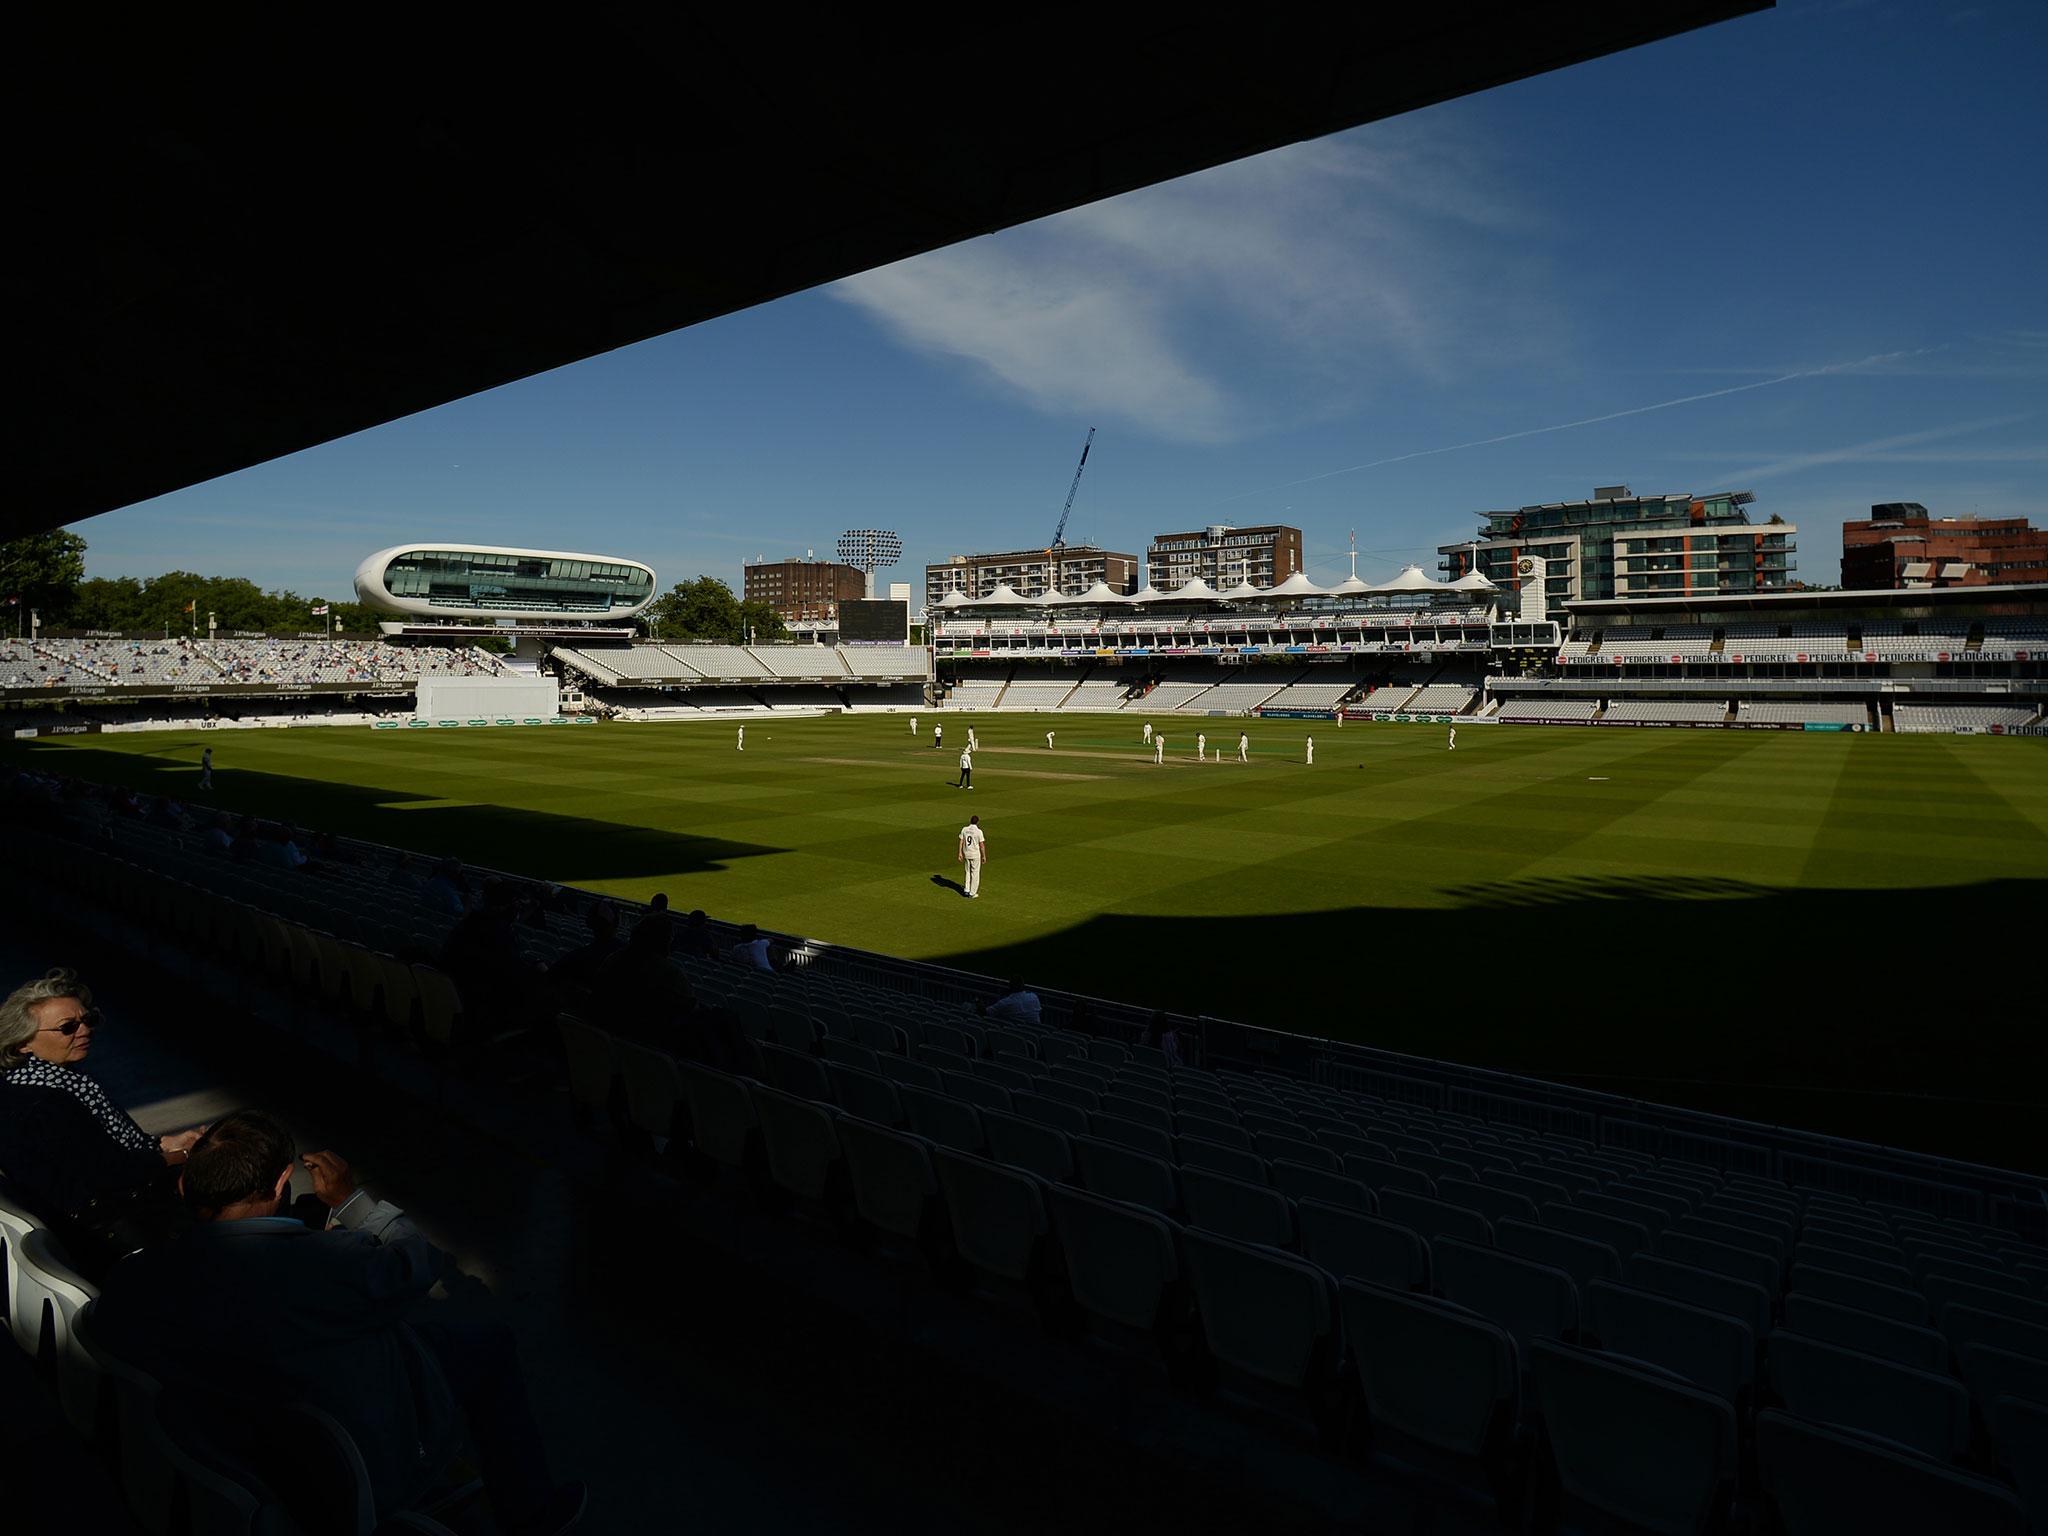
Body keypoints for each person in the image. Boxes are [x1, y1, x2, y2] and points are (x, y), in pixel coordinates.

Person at [92, 1111, 586, 1536]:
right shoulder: (333, 1265)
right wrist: (352, 1202)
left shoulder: (137, 1276)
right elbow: (419, 1261)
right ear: (283, 1182)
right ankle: (530, 1512)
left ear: (188, 1185)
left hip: (225, 1454)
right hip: (352, 1463)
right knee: (487, 1344)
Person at [0, 970, 202, 1269]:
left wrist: (162, 1143)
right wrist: (181, 1156)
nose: (84, 1031)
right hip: (114, 1231)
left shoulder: (37, 1083)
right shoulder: (49, 1102)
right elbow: (112, 1174)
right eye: (68, 1027)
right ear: (22, 1044)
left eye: (88, 1020)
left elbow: (101, 1150)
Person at [957, 814, 985, 898]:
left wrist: (960, 853)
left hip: (966, 853)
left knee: (968, 871)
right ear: (977, 822)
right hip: (975, 854)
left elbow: (961, 841)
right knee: (975, 873)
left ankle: (966, 889)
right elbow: (982, 845)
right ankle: (972, 893)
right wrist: (984, 856)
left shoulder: (964, 829)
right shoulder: (979, 831)